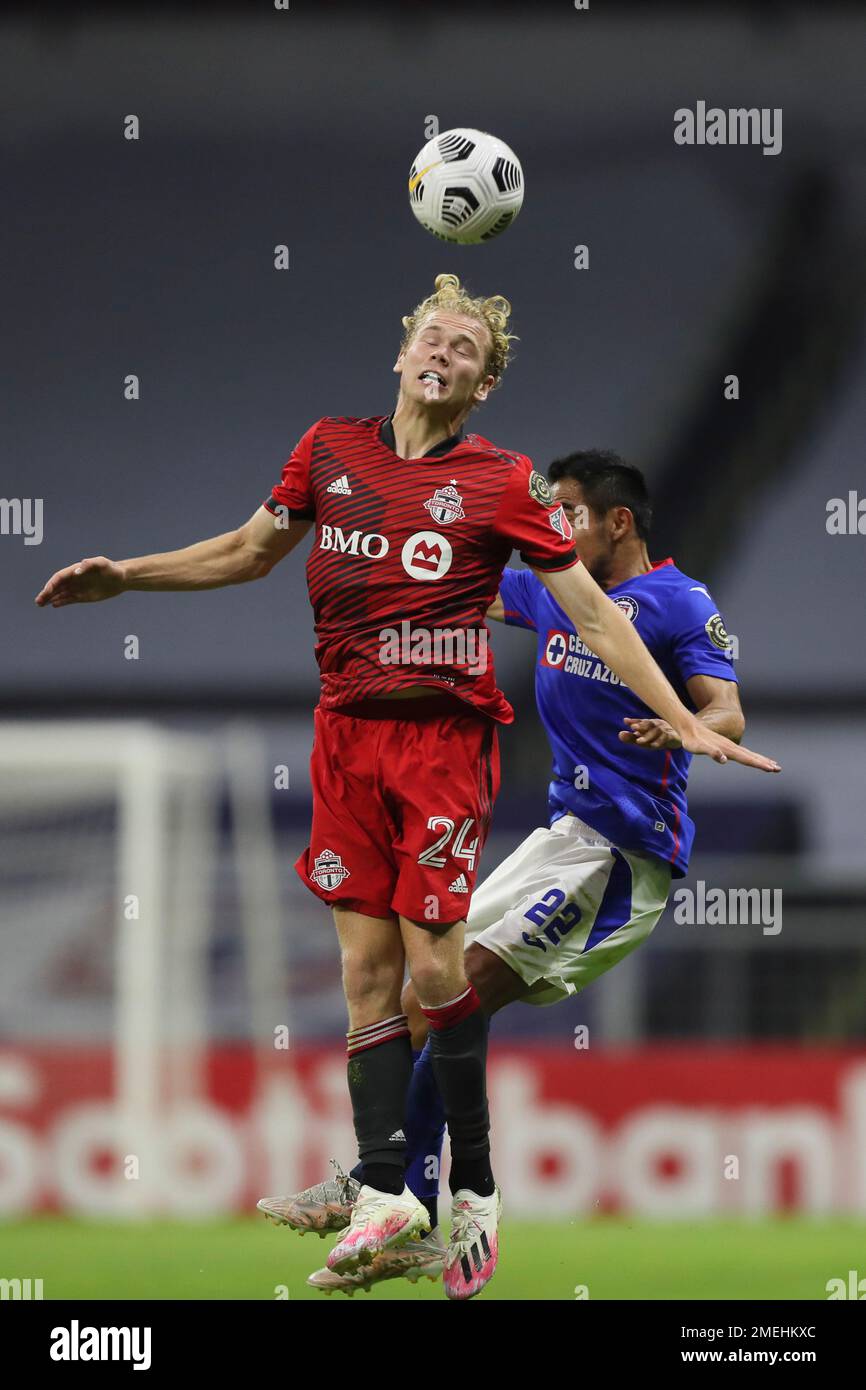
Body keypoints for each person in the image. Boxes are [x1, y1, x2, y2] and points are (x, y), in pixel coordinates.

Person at [36, 280, 778, 1301]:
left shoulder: (516, 494)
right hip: (348, 739)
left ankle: (457, 1183)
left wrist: (694, 723)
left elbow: (602, 621)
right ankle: (390, 1186)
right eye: (430, 334)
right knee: (371, 979)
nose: (442, 350)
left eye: (465, 346)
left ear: (481, 384)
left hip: (496, 776)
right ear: (399, 355)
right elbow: (250, 550)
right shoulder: (328, 451)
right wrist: (129, 575)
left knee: (443, 972)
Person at [259, 450, 760, 1296]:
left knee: (469, 989)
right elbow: (470, 577)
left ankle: (403, 1194)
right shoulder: (558, 589)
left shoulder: (681, 603)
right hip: (558, 840)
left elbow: (727, 707)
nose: (553, 528)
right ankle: (406, 1205)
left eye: (568, 512)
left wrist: (691, 726)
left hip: (621, 857)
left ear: (618, 522)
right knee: (429, 994)